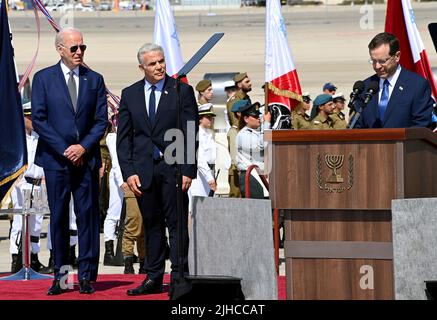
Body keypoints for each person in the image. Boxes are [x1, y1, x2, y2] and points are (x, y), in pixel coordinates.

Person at [116, 43, 198, 296]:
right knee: (151, 225)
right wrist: (129, 172)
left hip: (173, 169)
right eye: (152, 63)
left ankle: (179, 276)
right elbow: (124, 138)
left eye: (161, 61)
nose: (159, 66)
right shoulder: (130, 94)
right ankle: (153, 276)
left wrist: (187, 169)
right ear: (142, 67)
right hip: (143, 172)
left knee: (177, 226)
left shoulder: (181, 91)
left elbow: (190, 132)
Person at [31, 27, 108, 295]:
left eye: (82, 48)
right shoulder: (43, 79)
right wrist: (66, 149)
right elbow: (39, 119)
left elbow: (101, 121)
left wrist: (83, 148)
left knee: (87, 218)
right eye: (74, 48)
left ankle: (86, 276)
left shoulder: (94, 79)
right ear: (60, 49)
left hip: (85, 161)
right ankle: (61, 277)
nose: (79, 52)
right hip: (56, 161)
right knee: (59, 219)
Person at [356, 32, 434, 128]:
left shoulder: (417, 86)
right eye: (373, 61)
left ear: (397, 56)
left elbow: (421, 126)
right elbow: (357, 126)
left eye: (382, 61)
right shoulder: (365, 87)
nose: (377, 66)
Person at [9, 100, 46, 273]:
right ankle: (16, 258)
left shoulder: (42, 137)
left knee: (36, 222)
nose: (32, 120)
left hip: (39, 184)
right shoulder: (17, 138)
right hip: (22, 184)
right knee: (20, 222)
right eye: (28, 117)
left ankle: (34, 256)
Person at [236, 101, 271, 199]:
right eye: (255, 117)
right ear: (246, 119)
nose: (259, 119)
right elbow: (262, 146)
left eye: (259, 116)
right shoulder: (243, 135)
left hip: (261, 175)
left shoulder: (257, 133)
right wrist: (267, 123)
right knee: (257, 209)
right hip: (251, 176)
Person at [226, 72, 252, 198]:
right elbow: (237, 125)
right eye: (247, 82)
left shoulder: (246, 99)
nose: (250, 83)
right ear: (239, 84)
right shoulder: (234, 102)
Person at [188, 103, 217, 212]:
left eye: (212, 117)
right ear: (200, 119)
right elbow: (200, 159)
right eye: (208, 117)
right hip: (199, 176)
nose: (211, 120)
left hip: (209, 172)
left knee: (206, 208)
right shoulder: (198, 134)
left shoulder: (209, 133)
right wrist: (209, 178)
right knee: (197, 207)